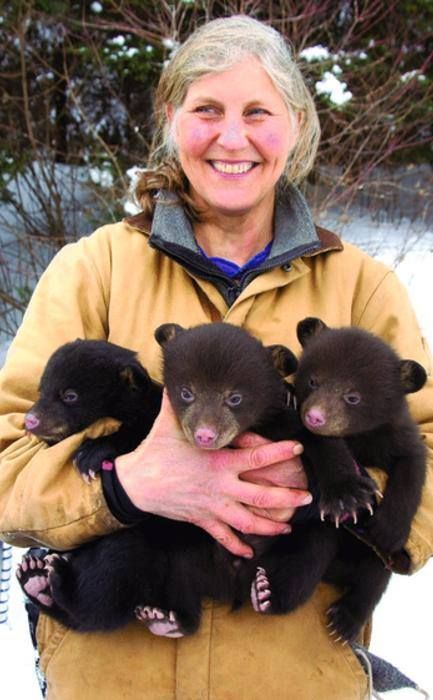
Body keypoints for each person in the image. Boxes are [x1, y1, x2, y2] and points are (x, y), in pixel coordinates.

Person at [0, 14, 432, 700]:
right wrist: (125, 486)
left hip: (294, 677)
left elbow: (424, 453)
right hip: (113, 678)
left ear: (294, 123)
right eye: (207, 110)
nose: (232, 138)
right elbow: (8, 461)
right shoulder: (94, 270)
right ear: (172, 118)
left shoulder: (359, 287)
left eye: (258, 111)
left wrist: (326, 487)